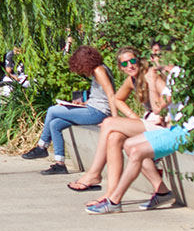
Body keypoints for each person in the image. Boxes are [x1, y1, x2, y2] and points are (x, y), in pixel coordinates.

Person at [69, 49, 156, 199]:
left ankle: (94, 174)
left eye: (133, 61)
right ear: (120, 68)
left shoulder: (151, 76)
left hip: (162, 122)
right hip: (149, 121)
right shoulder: (131, 80)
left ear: (140, 61)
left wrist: (118, 120)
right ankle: (111, 195)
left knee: (109, 123)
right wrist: (132, 116)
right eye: (125, 64)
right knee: (114, 137)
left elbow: (164, 105)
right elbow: (117, 99)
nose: (130, 66)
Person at [20, 46, 118, 174]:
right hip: (91, 108)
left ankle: (42, 146)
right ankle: (60, 163)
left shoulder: (100, 71)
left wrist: (114, 119)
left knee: (52, 110)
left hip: (98, 113)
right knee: (55, 124)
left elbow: (111, 94)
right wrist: (83, 103)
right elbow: (100, 96)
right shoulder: (97, 70)